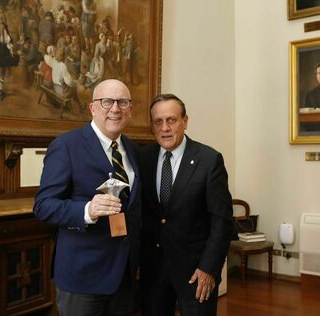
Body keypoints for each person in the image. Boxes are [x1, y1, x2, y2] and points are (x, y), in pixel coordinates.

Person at [33, 79, 141, 315]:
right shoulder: (66, 146)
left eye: (123, 102)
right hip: (83, 276)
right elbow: (43, 206)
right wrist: (87, 210)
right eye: (107, 102)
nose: (115, 108)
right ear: (92, 108)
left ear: (130, 110)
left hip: (124, 274)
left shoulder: (132, 150)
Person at [140, 94, 235, 316]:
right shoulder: (143, 156)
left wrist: (209, 268)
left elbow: (221, 221)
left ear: (185, 121)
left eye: (171, 120)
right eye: (158, 121)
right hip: (153, 270)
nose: (165, 128)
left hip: (196, 272)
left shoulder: (209, 160)